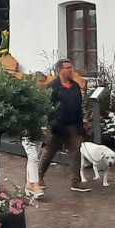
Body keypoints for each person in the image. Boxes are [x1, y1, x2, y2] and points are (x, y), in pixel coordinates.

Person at [34, 59, 89, 195]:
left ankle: (76, 181)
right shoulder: (52, 87)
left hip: (73, 126)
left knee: (76, 153)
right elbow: (48, 108)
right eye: (67, 68)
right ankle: (38, 176)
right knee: (49, 152)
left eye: (71, 67)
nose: (71, 70)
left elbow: (79, 107)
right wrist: (54, 125)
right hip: (58, 127)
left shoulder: (75, 86)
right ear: (59, 70)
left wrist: (80, 126)